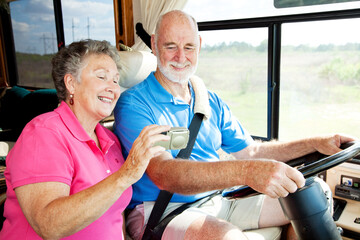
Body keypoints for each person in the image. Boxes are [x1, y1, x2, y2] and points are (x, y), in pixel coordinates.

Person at [113, 10, 355, 240]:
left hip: (219, 199)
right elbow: (166, 175)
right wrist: (248, 172)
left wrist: (317, 143)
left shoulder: (208, 101)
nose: (181, 57)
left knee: (312, 195)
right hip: (162, 210)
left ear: (199, 44)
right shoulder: (134, 105)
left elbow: (251, 152)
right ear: (154, 44)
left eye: (189, 47)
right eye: (170, 47)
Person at [0, 39, 171, 240]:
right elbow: (49, 225)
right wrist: (127, 174)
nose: (113, 88)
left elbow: (115, 216)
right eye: (102, 77)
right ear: (71, 83)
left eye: (116, 80)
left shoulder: (109, 139)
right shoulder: (43, 134)